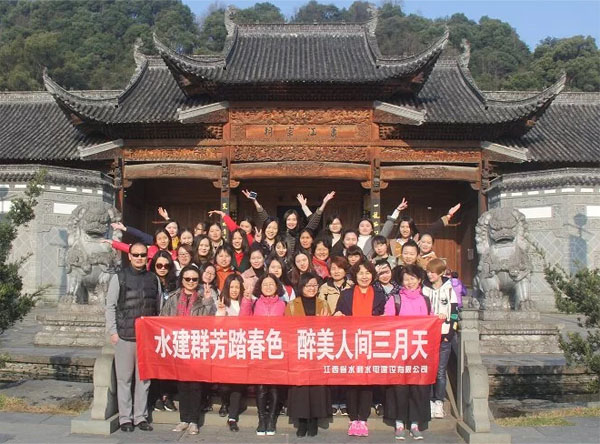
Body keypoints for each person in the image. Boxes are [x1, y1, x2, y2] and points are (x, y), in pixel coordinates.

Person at [105, 242, 161, 432]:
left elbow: (158, 307)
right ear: (129, 256)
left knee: (144, 379)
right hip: (125, 335)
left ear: (147, 257)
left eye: (142, 255)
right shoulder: (119, 278)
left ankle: (140, 417)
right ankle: (125, 418)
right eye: (135, 255)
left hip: (146, 338)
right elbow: (110, 306)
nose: (139, 258)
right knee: (124, 379)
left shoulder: (153, 279)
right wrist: (113, 332)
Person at [333, 259, 387, 437]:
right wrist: (337, 316)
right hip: (350, 344)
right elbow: (338, 315)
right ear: (355, 276)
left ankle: (363, 418)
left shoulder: (379, 295)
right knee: (351, 382)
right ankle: (352, 418)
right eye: (361, 273)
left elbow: (386, 318)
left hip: (371, 343)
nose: (364, 276)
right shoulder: (346, 295)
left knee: (367, 381)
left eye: (368, 273)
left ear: (373, 275)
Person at [161, 266, 216, 435]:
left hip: (197, 346)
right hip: (178, 345)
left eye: (194, 279)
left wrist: (208, 302)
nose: (191, 282)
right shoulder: (173, 298)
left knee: (195, 385)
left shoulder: (204, 296)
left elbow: (212, 321)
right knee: (182, 385)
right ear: (182, 279)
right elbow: (163, 319)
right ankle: (183, 419)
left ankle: (194, 420)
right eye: (187, 279)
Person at [383, 265, 432, 441]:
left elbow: (431, 322)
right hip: (399, 350)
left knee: (418, 387)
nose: (410, 282)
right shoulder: (395, 299)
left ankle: (415, 423)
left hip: (419, 351)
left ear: (419, 280)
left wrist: (439, 318)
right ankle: (399, 423)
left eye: (413, 278)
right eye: (406, 279)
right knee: (399, 387)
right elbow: (387, 323)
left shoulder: (425, 300)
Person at [285, 273, 331, 437]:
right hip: (300, 351)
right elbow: (288, 328)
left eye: (314, 285)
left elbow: (329, 329)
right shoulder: (292, 305)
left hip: (318, 351)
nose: (311, 288)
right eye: (308, 285)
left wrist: (323, 323)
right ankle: (302, 422)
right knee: (301, 389)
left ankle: (314, 421)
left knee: (317, 388)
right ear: (301, 287)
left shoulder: (323, 303)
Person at [240, 274, 287, 436]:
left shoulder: (283, 304)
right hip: (259, 349)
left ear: (277, 286)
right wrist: (246, 301)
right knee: (261, 386)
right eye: (265, 284)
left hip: (276, 350)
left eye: (271, 284)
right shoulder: (254, 303)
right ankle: (262, 419)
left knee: (274, 386)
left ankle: (271, 419)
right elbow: (243, 320)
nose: (268, 287)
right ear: (259, 287)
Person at [422, 258, 458, 420]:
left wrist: (449, 333)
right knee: (429, 370)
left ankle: (439, 401)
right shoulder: (424, 288)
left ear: (441, 273)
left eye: (433, 272)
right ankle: (429, 401)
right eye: (428, 272)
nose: (430, 275)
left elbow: (454, 312)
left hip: (444, 335)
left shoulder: (449, 289)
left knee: (440, 371)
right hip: (427, 335)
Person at [243, 189, 335, 252]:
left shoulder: (301, 233)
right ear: (285, 220)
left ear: (297, 221)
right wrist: (255, 201)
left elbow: (313, 222)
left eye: (294, 219)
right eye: (289, 219)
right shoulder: (280, 233)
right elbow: (266, 219)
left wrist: (323, 203)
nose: (291, 222)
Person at [215, 274, 247, 431]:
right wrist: (221, 313)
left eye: (237, 287)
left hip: (242, 348)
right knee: (224, 385)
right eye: (231, 287)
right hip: (225, 348)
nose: (234, 290)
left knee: (237, 384)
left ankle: (232, 417)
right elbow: (216, 326)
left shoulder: (247, 302)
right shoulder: (221, 302)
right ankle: (225, 402)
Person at [149, 250, 178, 413]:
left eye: (166, 266)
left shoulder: (175, 283)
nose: (162, 268)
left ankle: (167, 396)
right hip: (153, 328)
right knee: (155, 364)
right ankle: (156, 397)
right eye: (159, 265)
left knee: (168, 364)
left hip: (170, 329)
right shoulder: (148, 280)